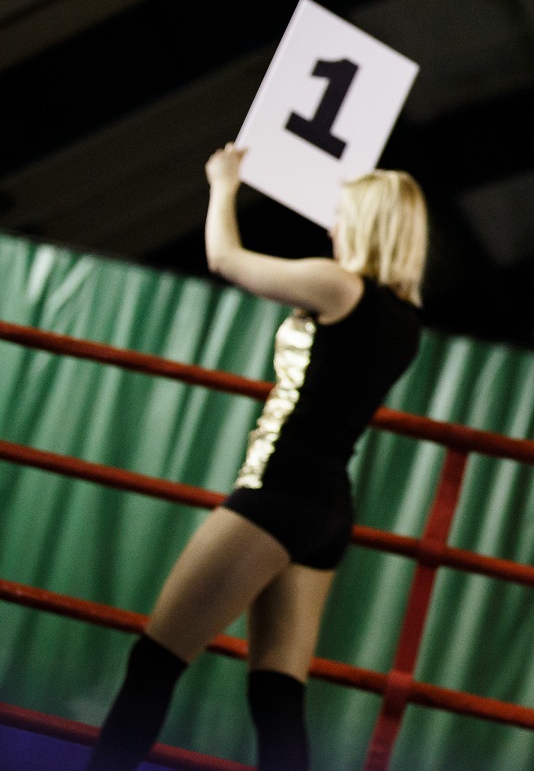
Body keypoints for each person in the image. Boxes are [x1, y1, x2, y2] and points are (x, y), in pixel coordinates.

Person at [86, 146, 427, 771]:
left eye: (343, 214)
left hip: (278, 494)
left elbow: (225, 258)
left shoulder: (340, 286)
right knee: (276, 697)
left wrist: (224, 183)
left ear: (367, 223)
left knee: (154, 663)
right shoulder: (406, 320)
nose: (333, 225)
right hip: (327, 508)